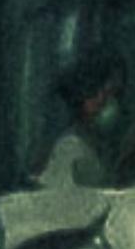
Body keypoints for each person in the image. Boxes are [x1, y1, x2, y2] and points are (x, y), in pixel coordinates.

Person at [30, 46, 127, 190]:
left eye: (115, 95)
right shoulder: (70, 149)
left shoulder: (98, 145)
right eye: (107, 93)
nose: (110, 103)